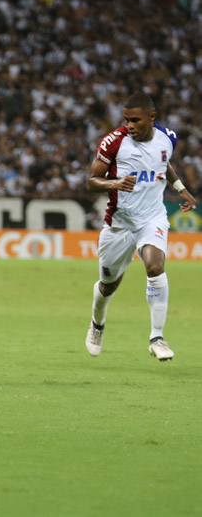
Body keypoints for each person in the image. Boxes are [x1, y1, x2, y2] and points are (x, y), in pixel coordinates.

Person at [85, 93, 196, 361]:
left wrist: (180, 188)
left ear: (151, 118)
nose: (130, 125)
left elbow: (163, 163)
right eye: (126, 120)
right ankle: (97, 324)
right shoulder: (114, 142)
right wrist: (115, 183)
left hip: (152, 217)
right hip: (119, 224)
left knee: (155, 266)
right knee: (108, 284)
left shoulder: (168, 137)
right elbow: (91, 181)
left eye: (135, 120)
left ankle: (157, 337)